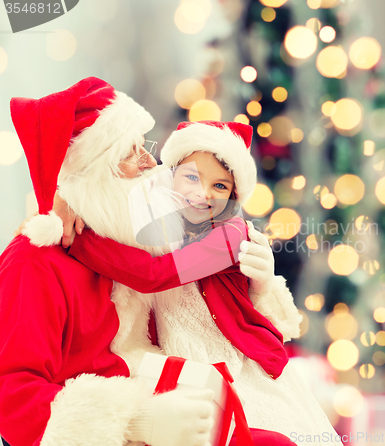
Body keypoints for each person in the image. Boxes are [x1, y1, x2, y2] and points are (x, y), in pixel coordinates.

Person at [0, 78, 278, 446]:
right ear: (97, 170)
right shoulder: (36, 262)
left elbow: (161, 277)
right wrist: (134, 423)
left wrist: (264, 287)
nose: (151, 162)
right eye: (132, 153)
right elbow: (13, 399)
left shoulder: (134, 241)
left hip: (207, 386)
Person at [62, 121, 343, 446]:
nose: (203, 193)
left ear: (234, 195)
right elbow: (111, 200)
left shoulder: (230, 233)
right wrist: (70, 202)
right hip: (176, 358)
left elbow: (156, 275)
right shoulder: (155, 213)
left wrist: (80, 241)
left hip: (231, 359)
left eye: (220, 186)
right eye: (192, 177)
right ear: (171, 175)